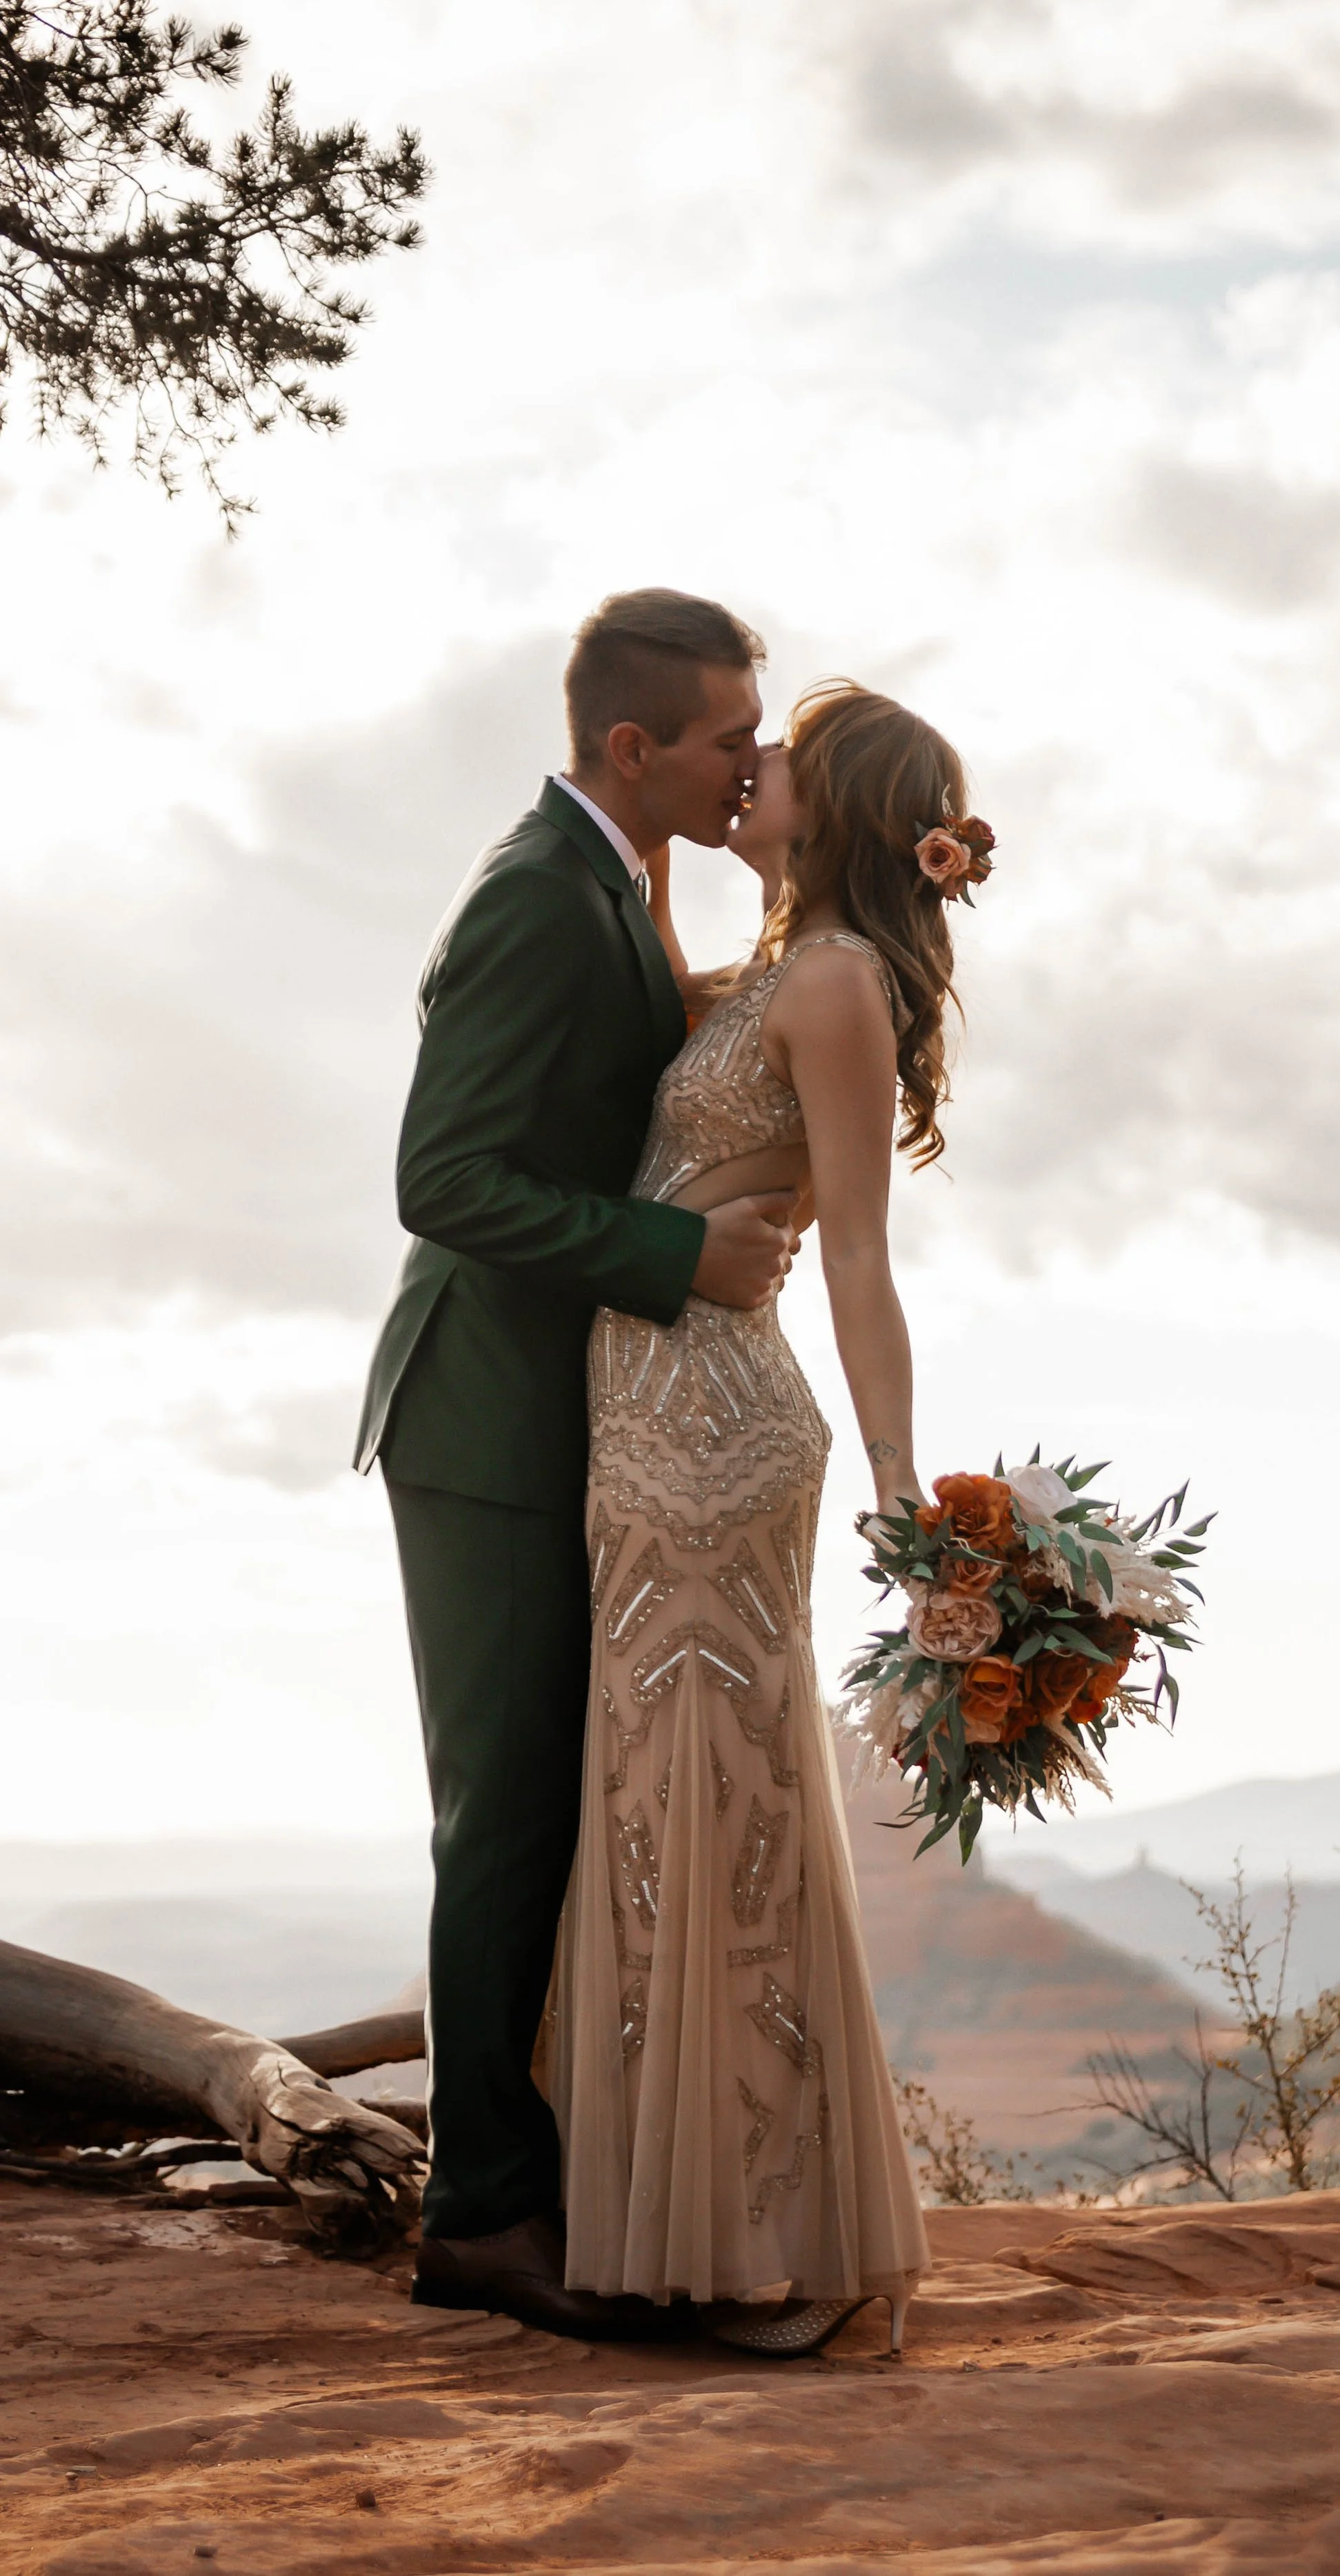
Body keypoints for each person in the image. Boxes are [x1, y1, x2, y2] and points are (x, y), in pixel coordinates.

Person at [353, 590, 801, 2338]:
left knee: (553, 1806)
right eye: (725, 742)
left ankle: (543, 2180)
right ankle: (477, 2219)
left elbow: (653, 1049)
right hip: (481, 1425)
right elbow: (441, 1179)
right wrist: (666, 1256)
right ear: (633, 746)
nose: (749, 762)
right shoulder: (537, 898)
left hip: (569, 1427)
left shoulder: (613, 875)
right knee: (509, 1813)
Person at [552, 679, 988, 2357]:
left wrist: (901, 1497)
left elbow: (859, 1253)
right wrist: (660, 850)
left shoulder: (833, 984)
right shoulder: (762, 968)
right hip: (642, 1422)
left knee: (722, 1818)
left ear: (844, 804)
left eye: (777, 757)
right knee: (654, 1820)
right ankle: (686, 2233)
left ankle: (785, 2257)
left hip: (720, 1435)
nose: (750, 770)